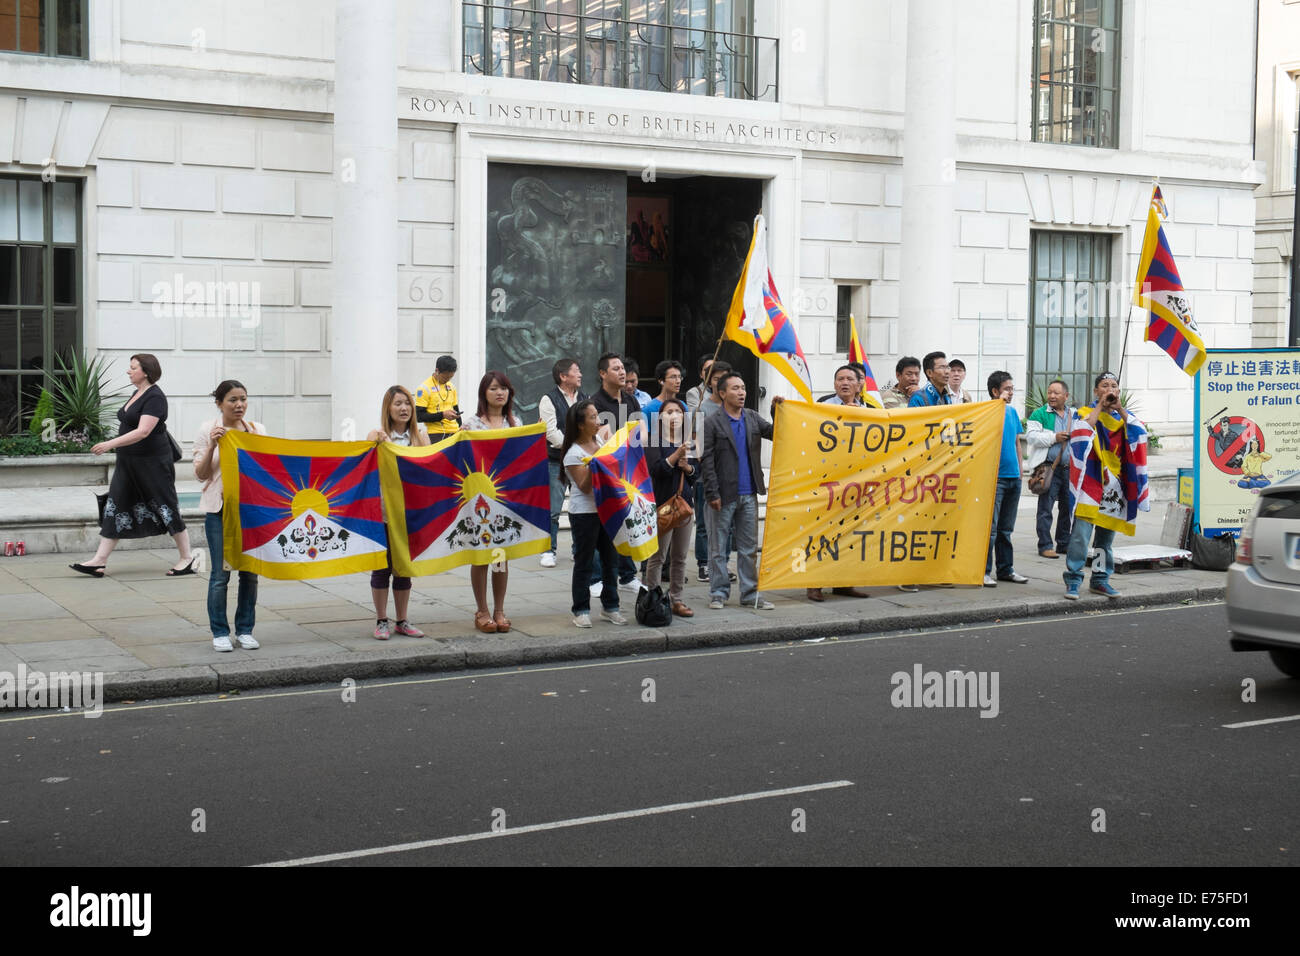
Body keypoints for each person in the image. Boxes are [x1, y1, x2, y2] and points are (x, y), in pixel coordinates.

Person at [70, 353, 195, 578]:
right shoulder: (137, 393)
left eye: (133, 367)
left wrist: (109, 444)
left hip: (152, 463)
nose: (128, 371)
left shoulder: (155, 397)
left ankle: (187, 558)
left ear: (146, 371)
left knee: (166, 506)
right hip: (128, 462)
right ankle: (99, 561)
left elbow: (143, 431)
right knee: (115, 505)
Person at [193, 380, 267, 652]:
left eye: (243, 399)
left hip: (251, 511)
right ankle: (220, 632)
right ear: (219, 404)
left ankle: (245, 629)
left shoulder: (257, 430)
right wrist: (213, 445)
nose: (239, 405)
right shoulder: (207, 430)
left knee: (250, 573)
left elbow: (266, 468)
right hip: (220, 509)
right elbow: (201, 474)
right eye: (233, 400)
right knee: (220, 574)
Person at [1062, 372, 1149, 601]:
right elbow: (1082, 431)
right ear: (1095, 391)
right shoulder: (1084, 413)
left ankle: (1100, 580)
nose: (1109, 389)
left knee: (1104, 540)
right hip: (1090, 485)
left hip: (1114, 489)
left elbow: (1140, 435)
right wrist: (1101, 406)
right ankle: (1073, 579)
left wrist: (1119, 409)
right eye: (1104, 385)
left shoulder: (1125, 418)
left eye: (1113, 386)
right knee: (1080, 537)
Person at [700, 372, 776, 610]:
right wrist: (712, 493)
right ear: (722, 393)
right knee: (718, 548)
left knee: (748, 548)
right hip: (722, 494)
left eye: (743, 388)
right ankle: (719, 593)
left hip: (749, 493)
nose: (742, 392)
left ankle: (750, 593)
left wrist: (776, 411)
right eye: (735, 388)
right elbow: (707, 460)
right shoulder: (712, 422)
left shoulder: (752, 417)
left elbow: (775, 433)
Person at [461, 371, 524, 633]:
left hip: (506, 498)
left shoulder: (516, 423)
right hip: (480, 499)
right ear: (483, 393)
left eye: (504, 388)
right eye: (494, 388)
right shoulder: (472, 424)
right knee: (480, 555)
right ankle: (482, 610)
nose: (500, 393)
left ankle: (499, 609)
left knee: (500, 556)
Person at [366, 385, 430, 640]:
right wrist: (376, 441)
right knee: (382, 567)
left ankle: (402, 620)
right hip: (382, 513)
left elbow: (432, 467)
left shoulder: (420, 436)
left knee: (403, 567)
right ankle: (382, 620)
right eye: (398, 404)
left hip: (410, 514)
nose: (404, 408)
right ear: (388, 408)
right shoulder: (378, 435)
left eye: (407, 404)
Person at [806, 369, 872, 602]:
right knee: (823, 533)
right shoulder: (822, 406)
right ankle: (814, 584)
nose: (844, 383)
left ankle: (844, 582)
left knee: (850, 534)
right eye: (840, 379)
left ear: (859, 385)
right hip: (828, 481)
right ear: (834, 383)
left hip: (857, 482)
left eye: (849, 379)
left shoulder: (870, 412)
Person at [563, 401, 627, 627]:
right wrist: (595, 463)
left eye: (597, 415)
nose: (598, 421)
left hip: (607, 510)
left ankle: (611, 607)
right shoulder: (573, 454)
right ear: (580, 424)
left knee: (611, 560)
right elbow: (584, 486)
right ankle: (580, 609)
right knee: (585, 561)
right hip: (584, 514)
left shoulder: (599, 441)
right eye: (592, 417)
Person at [644, 398, 698, 617]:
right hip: (663, 505)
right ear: (660, 418)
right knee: (658, 556)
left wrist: (688, 468)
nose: (674, 416)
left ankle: (676, 598)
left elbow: (697, 474)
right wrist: (676, 456)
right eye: (669, 412)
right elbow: (657, 470)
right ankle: (654, 597)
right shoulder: (653, 441)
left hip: (685, 505)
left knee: (680, 556)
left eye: (677, 412)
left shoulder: (690, 442)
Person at [536, 357, 586, 568]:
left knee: (580, 508)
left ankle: (578, 550)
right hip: (556, 461)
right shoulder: (549, 399)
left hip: (580, 462)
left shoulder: (584, 397)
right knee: (554, 510)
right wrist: (572, 448)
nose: (580, 374)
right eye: (576, 371)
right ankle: (549, 550)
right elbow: (550, 431)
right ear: (563, 376)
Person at [983, 372, 1028, 587]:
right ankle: (984, 571)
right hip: (995, 478)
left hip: (1013, 477)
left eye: (1012, 388)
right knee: (990, 530)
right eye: (1007, 389)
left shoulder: (1012, 413)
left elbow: (1017, 443)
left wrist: (1020, 470)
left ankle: (1006, 569)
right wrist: (996, 406)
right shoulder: (986, 412)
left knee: (1006, 529)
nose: (1011, 393)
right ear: (995, 391)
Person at [1025, 379, 1075, 558]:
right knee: (1045, 508)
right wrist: (1054, 437)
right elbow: (1031, 437)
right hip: (1049, 468)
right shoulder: (1039, 414)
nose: (1052, 396)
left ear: (1066, 396)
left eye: (1056, 393)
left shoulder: (1074, 415)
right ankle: (1045, 545)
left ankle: (1064, 543)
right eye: (1049, 392)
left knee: (1067, 508)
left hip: (1069, 469)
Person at [414, 354, 460, 438]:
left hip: (455, 432)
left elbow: (456, 409)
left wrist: (461, 427)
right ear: (437, 370)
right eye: (445, 377)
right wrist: (442, 415)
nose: (447, 380)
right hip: (435, 434)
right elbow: (419, 416)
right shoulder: (424, 388)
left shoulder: (451, 387)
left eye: (450, 377)